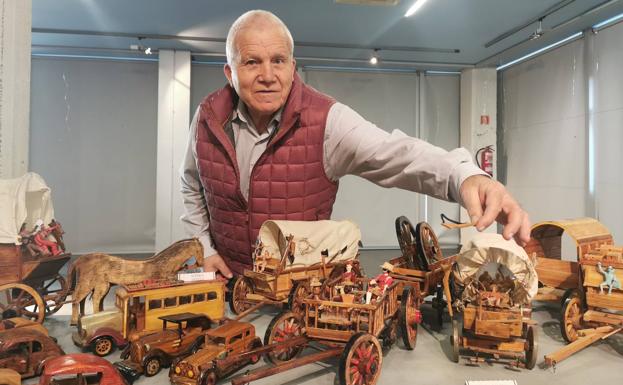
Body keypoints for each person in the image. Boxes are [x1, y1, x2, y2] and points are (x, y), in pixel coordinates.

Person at [180, 10, 531, 279]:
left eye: (278, 61)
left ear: (292, 66)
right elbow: (192, 184)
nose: (268, 76)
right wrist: (205, 247)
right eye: (252, 62)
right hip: (229, 286)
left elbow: (398, 154)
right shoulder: (207, 118)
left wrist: (466, 177)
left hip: (301, 292)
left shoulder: (327, 121)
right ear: (230, 72)